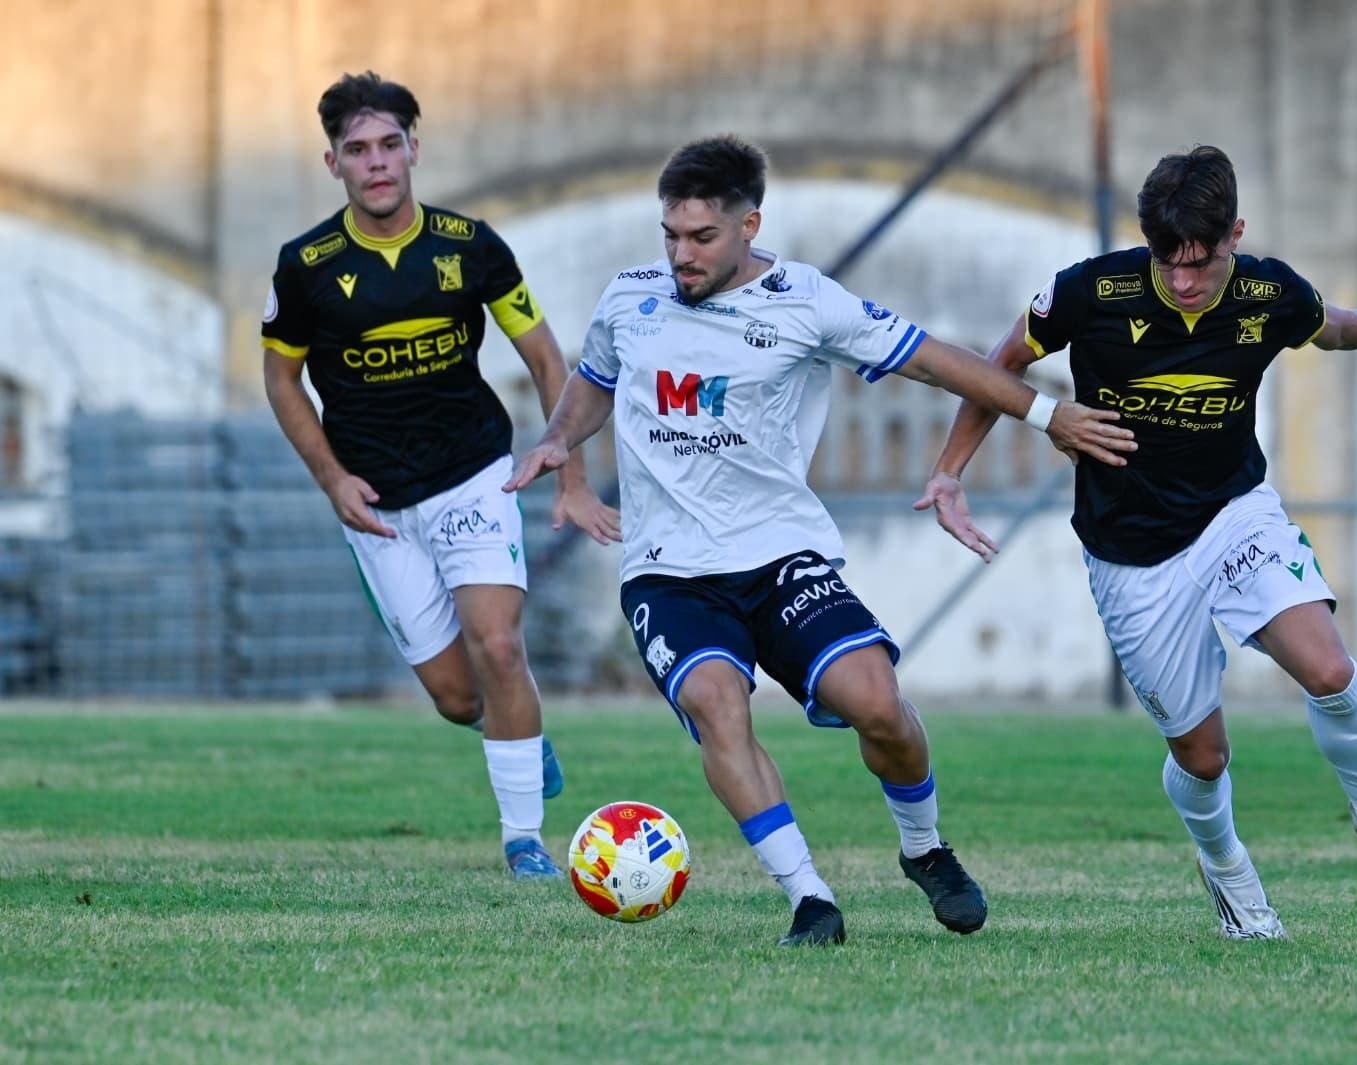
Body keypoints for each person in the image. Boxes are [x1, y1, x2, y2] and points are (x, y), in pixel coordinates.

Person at [505, 135, 1135, 945]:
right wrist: (562, 443)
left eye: (701, 238)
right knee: (715, 705)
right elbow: (593, 380)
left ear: (748, 225)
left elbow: (941, 363)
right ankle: (809, 897)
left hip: (779, 555)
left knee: (878, 705)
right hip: (669, 571)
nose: (680, 255)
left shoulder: (809, 302)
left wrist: (1051, 414)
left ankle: (925, 847)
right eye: (670, 234)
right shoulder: (630, 298)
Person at [917, 145, 1357, 940]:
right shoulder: (1089, 291)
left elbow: (1330, 328)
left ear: (1235, 235)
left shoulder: (1269, 291)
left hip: (1234, 513)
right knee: (1204, 757)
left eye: (1202, 262)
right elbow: (999, 363)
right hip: (1131, 555)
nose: (1183, 281)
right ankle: (1226, 868)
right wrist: (948, 471)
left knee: (1328, 666)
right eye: (1166, 262)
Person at [261, 72, 620, 880]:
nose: (377, 162)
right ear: (333, 164)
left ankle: (524, 840)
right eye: (358, 150)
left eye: (390, 144)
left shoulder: (471, 245)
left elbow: (545, 356)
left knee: (499, 646)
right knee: (462, 698)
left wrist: (571, 475)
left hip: (473, 474)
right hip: (378, 503)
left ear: (414, 150)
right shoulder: (306, 267)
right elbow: (282, 380)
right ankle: (523, 734)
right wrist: (331, 480)